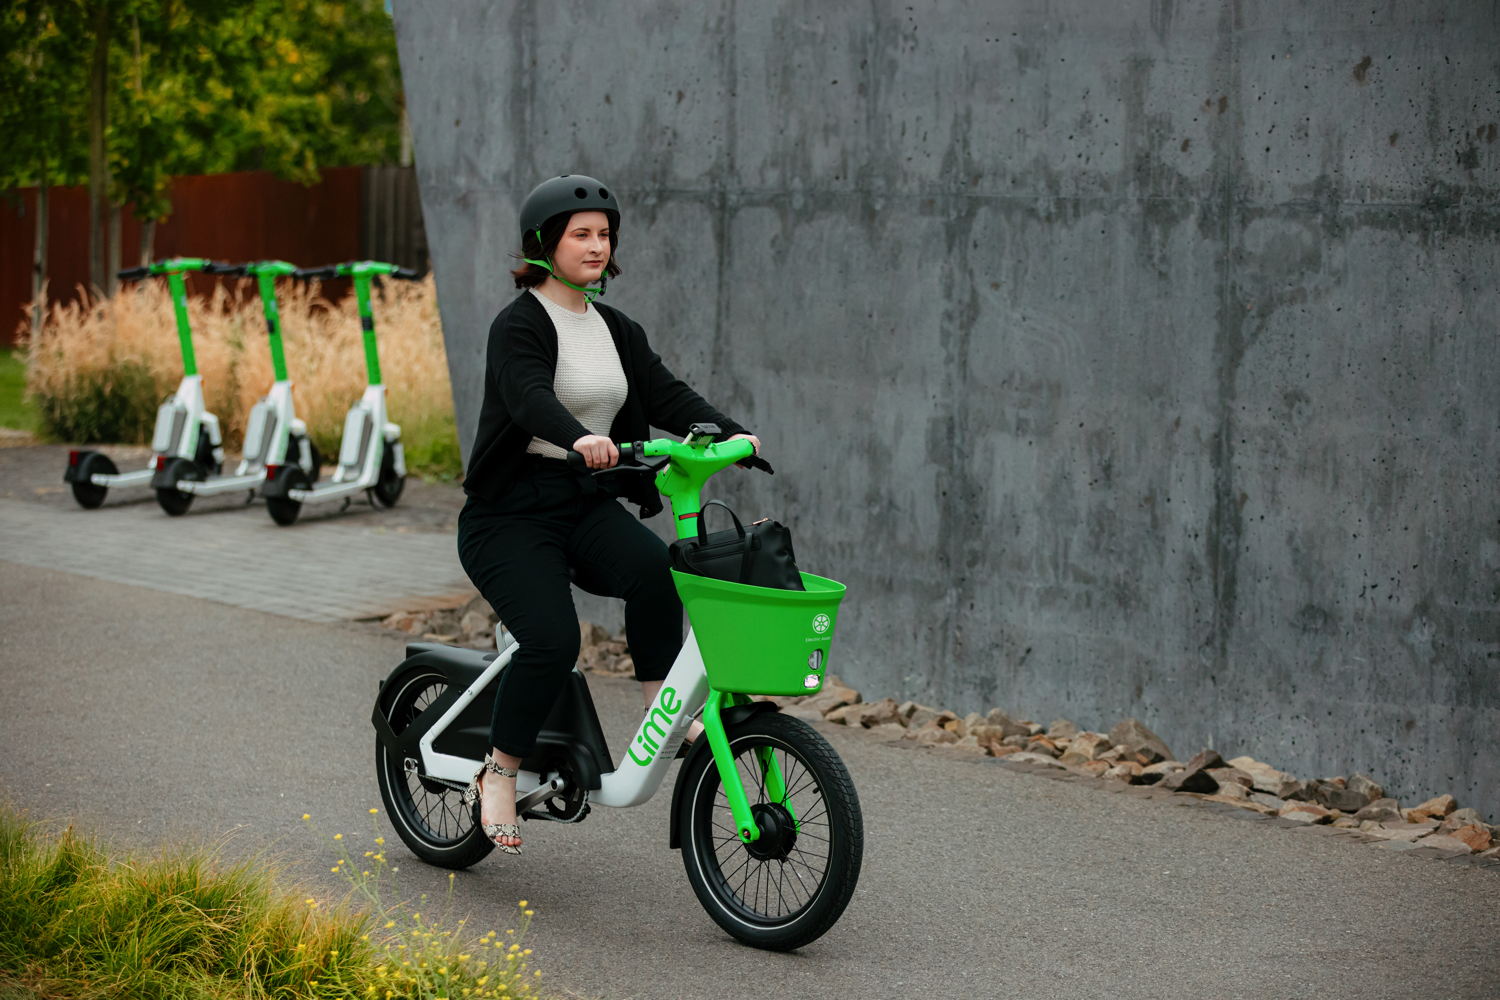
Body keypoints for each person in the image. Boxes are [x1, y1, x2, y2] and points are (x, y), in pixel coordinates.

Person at [457, 175, 759, 854]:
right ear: (544, 246)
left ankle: (660, 702)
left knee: (658, 571)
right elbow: (530, 396)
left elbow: (665, 392)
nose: (597, 246)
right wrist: (577, 437)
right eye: (581, 235)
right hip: (507, 516)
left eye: (604, 234)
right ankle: (498, 773)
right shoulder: (519, 325)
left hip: (579, 502)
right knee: (553, 640)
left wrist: (731, 432)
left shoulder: (615, 328)